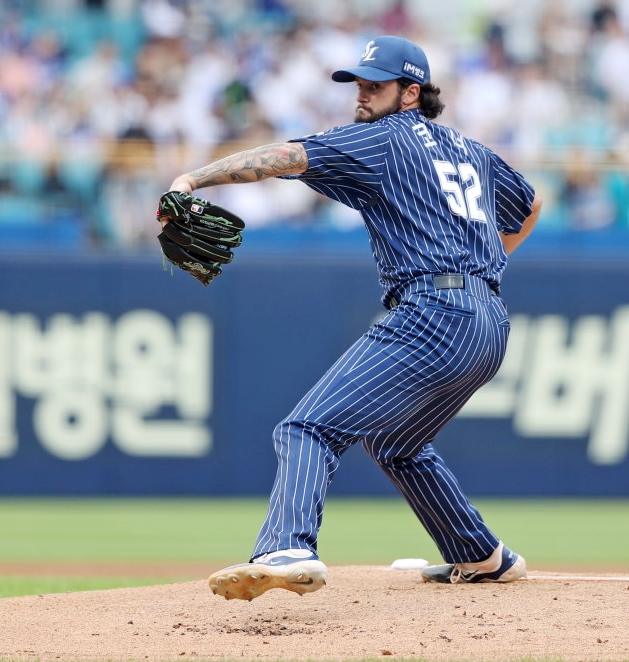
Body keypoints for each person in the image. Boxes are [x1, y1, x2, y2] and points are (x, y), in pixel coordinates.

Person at [161, 36, 542, 600]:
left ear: (411, 93)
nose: (361, 94)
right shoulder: (469, 150)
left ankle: (287, 545)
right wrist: (482, 268)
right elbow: (529, 204)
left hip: (434, 313)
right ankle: (481, 556)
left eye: (375, 85)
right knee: (396, 443)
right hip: (487, 320)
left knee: (307, 426)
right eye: (358, 84)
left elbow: (286, 158)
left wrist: (190, 181)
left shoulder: (382, 140)